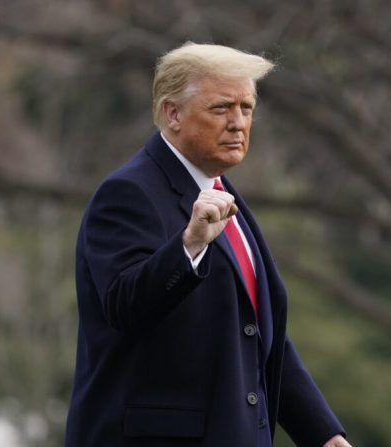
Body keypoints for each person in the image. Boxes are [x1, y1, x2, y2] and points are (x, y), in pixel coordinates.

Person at [65, 42, 351, 447]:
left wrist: (322, 433)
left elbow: (259, 335)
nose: (238, 123)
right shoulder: (127, 192)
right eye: (221, 108)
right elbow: (124, 306)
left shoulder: (220, 189)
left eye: (246, 108)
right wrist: (189, 247)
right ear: (173, 113)